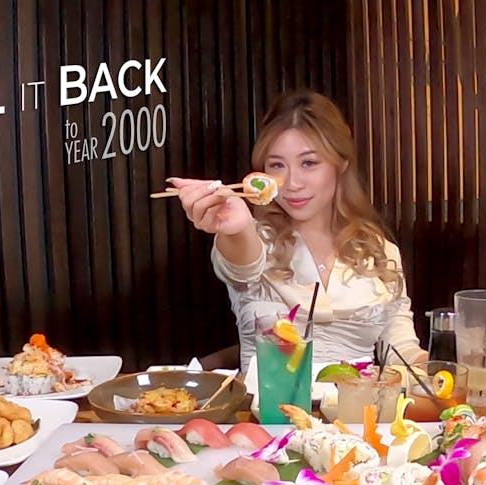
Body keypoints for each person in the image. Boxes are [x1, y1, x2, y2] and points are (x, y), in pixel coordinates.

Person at [169, 90, 427, 372]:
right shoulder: (254, 238)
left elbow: (401, 350)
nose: (291, 182)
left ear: (341, 163)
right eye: (277, 165)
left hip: (356, 410)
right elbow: (240, 263)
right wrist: (237, 228)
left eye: (309, 163)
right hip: (267, 410)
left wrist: (445, 368)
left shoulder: (379, 250)